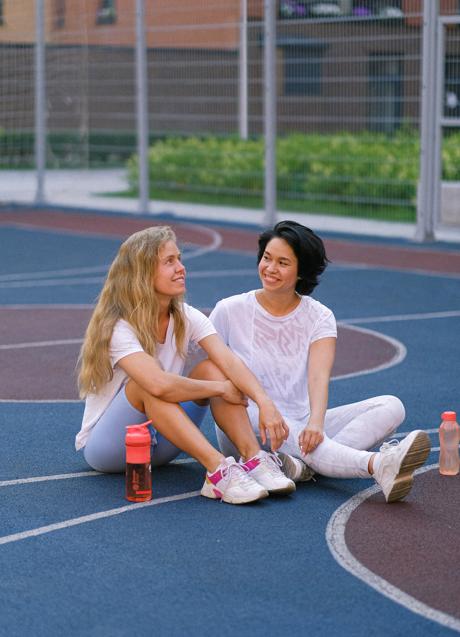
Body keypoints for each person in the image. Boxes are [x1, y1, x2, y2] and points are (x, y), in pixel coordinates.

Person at [75, 225, 299, 506]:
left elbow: (229, 361)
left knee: (214, 368)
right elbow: (157, 384)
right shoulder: (119, 327)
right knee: (148, 386)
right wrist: (219, 389)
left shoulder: (185, 316)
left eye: (179, 259)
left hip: (163, 443)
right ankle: (218, 471)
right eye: (169, 261)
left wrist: (264, 402)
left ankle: (253, 458)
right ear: (143, 273)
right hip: (112, 448)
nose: (181, 268)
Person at [209, 220, 431, 503]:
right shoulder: (229, 310)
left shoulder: (320, 316)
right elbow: (208, 367)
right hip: (247, 421)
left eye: (283, 263)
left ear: (302, 271)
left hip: (299, 420)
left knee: (391, 406)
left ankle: (300, 467)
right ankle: (377, 465)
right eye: (267, 258)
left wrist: (315, 422)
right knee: (257, 414)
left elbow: (318, 377)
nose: (270, 268)